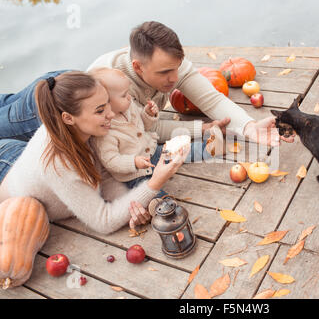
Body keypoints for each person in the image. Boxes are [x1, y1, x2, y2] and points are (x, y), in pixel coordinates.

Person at [0, 71, 189, 233]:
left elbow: (104, 178)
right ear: (68, 118)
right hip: (7, 178)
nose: (111, 114)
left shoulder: (86, 130)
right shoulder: (58, 165)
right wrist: (155, 183)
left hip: (23, 165)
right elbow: (103, 221)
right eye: (100, 111)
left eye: (107, 103)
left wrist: (132, 206)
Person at [87, 21, 292, 147]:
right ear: (138, 67)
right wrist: (203, 128)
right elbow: (149, 130)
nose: (175, 78)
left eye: (177, 67)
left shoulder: (169, 65)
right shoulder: (113, 89)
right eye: (165, 72)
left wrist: (249, 126)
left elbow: (211, 99)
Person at [89, 67, 223, 190]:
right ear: (106, 101)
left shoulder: (129, 107)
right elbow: (111, 161)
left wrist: (147, 114)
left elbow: (145, 126)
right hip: (135, 174)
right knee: (146, 188)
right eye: (124, 95)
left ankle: (210, 148)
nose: (129, 97)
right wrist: (134, 162)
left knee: (181, 150)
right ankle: (161, 205)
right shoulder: (104, 132)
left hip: (153, 151)